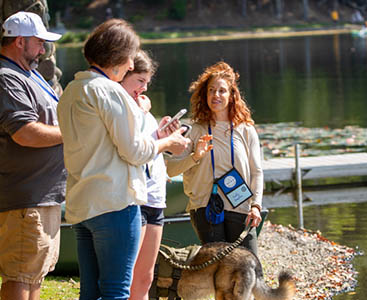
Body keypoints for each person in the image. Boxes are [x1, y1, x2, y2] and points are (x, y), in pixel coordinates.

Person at [57, 19, 190, 300]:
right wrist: (169, 142)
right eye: (129, 58)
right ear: (117, 56)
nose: (131, 65)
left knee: (90, 292)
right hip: (114, 204)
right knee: (117, 291)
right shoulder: (109, 91)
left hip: (82, 204)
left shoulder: (71, 91)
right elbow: (135, 152)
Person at [166, 61, 263, 255]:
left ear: (232, 95)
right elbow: (170, 170)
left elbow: (257, 172)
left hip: (241, 205)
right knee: (218, 269)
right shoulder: (194, 130)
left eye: (221, 91)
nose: (216, 95)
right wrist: (196, 156)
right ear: (205, 94)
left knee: (250, 268)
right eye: (211, 90)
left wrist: (256, 206)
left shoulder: (246, 129)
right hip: (205, 208)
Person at [0, 11, 65, 300]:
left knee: (34, 274)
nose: (43, 50)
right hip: (25, 198)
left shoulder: (30, 73)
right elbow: (24, 132)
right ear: (19, 42)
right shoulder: (7, 77)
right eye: (39, 43)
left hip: (43, 196)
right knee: (19, 276)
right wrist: (75, 132)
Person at [120, 50, 173, 300]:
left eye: (147, 83)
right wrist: (140, 113)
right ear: (123, 75)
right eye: (139, 81)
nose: (143, 88)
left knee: (146, 277)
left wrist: (161, 135)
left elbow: (149, 147)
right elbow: (130, 148)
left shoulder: (143, 108)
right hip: (135, 199)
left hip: (155, 198)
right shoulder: (123, 107)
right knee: (125, 277)